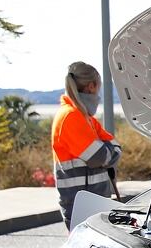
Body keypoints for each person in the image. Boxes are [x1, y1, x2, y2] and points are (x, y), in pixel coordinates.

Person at [51, 62, 121, 229]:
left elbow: (114, 147)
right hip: (82, 203)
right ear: (92, 86)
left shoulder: (85, 118)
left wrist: (110, 149)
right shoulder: (72, 117)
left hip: (88, 201)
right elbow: (100, 157)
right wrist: (110, 150)